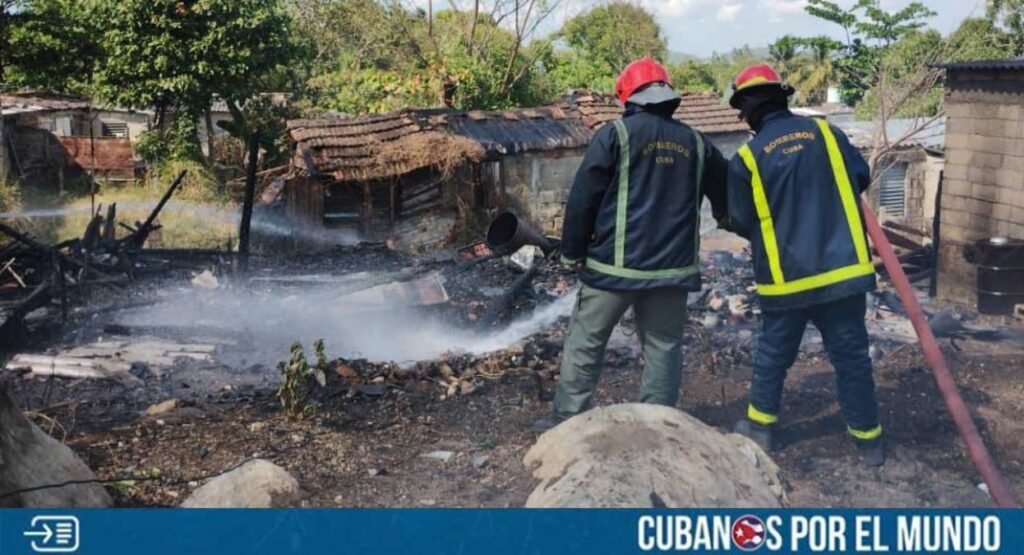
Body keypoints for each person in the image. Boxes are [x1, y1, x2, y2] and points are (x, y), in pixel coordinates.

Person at [532, 58, 731, 432]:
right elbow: (727, 199)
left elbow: (583, 199)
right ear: (667, 95)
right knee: (663, 348)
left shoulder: (616, 135)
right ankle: (658, 425)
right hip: (672, 272)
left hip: (612, 270)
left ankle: (568, 422)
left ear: (628, 96)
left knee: (586, 342)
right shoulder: (698, 143)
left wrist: (572, 253)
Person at [725, 63, 885, 466]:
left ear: (748, 110)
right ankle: (869, 442)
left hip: (787, 281)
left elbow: (742, 221)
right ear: (782, 97)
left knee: (774, 356)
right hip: (843, 276)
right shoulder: (828, 135)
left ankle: (761, 429)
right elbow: (859, 176)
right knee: (851, 357)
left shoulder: (746, 158)